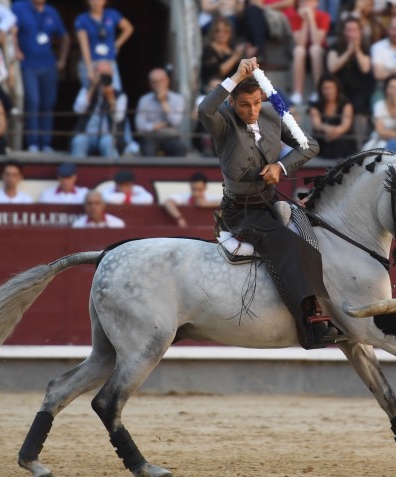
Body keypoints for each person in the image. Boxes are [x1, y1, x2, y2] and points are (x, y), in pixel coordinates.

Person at [197, 57, 335, 351]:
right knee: (287, 244)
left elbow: (310, 145)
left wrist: (280, 168)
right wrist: (236, 76)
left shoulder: (272, 114)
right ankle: (309, 323)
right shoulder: (223, 120)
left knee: (312, 234)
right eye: (245, 105)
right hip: (240, 211)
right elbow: (204, 108)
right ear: (232, 102)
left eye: (257, 103)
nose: (252, 111)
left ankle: (330, 305)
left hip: (270, 201)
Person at [12, 0, 69, 154]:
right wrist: (16, 50)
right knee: (33, 101)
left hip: (48, 65)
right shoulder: (19, 7)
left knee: (48, 104)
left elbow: (64, 36)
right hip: (28, 65)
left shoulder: (52, 11)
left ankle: (46, 142)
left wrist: (62, 59)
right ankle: (33, 142)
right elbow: (12, 31)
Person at [69, 59, 128, 157]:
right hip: (87, 135)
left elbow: (118, 118)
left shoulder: (120, 95)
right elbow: (78, 110)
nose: (103, 78)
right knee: (78, 140)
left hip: (107, 136)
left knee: (108, 142)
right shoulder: (86, 90)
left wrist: (111, 99)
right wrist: (92, 88)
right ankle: (77, 167)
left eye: (106, 74)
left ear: (112, 75)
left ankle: (113, 167)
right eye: (101, 74)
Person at [74, 0, 134, 89]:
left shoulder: (112, 14)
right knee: (92, 91)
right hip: (92, 61)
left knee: (113, 90)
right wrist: (89, 69)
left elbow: (128, 28)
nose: (96, 2)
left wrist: (116, 44)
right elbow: (84, 46)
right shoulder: (82, 19)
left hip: (109, 62)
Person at [326, 17, 373, 119]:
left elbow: (365, 68)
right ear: (343, 31)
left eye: (354, 30)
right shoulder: (335, 46)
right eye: (348, 30)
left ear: (360, 32)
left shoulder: (365, 47)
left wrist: (357, 49)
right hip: (340, 89)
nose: (351, 34)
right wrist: (348, 52)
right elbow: (332, 68)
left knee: (360, 104)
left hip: (359, 91)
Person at [285, 0, 330, 105]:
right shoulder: (295, 17)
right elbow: (300, 43)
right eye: (302, 2)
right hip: (303, 55)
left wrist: (311, 19)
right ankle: (298, 93)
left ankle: (318, 91)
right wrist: (305, 21)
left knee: (315, 49)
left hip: (319, 55)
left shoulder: (323, 16)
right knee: (298, 50)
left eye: (308, 2)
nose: (305, 5)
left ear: (316, 3)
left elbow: (317, 41)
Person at [135, 67, 187, 157]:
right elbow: (140, 126)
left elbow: (175, 121)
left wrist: (163, 101)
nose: (158, 84)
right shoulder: (144, 100)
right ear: (150, 84)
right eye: (154, 82)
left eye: (161, 81)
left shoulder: (178, 99)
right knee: (147, 149)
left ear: (167, 81)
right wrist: (156, 126)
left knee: (180, 148)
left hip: (170, 136)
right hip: (150, 137)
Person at [362, 74, 396, 154]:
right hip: (380, 140)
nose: (394, 91)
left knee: (392, 144)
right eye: (391, 87)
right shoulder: (379, 105)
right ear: (386, 89)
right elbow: (380, 131)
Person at [308, 75, 355, 159]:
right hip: (323, 139)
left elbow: (346, 125)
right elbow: (317, 125)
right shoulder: (315, 106)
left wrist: (334, 133)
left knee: (341, 142)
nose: (328, 91)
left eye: (331, 88)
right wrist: (328, 129)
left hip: (341, 137)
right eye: (325, 88)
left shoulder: (346, 104)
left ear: (337, 89)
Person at [199, 17, 244, 88]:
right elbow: (217, 73)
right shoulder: (208, 50)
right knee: (216, 84)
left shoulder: (233, 48)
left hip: (234, 84)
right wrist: (235, 57)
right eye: (217, 31)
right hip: (214, 86)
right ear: (212, 32)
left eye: (225, 31)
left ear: (230, 33)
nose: (221, 34)